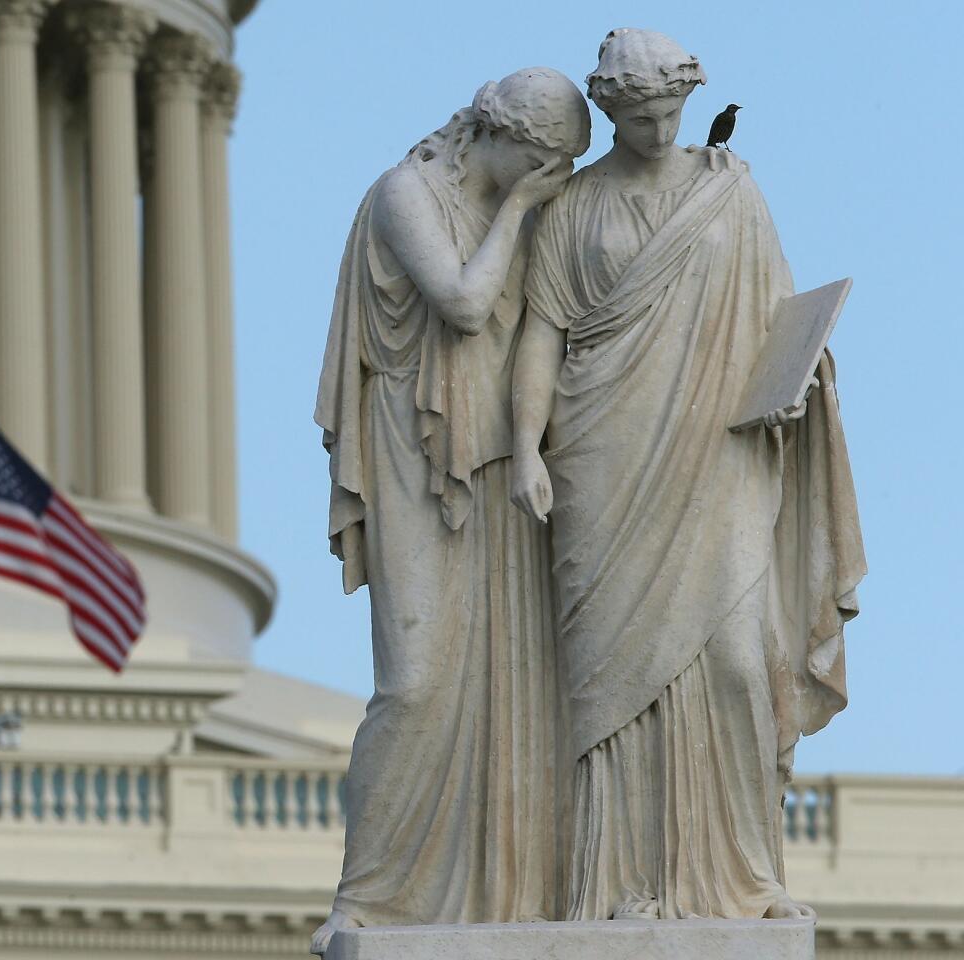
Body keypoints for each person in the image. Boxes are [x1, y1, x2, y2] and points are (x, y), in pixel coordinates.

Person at [511, 28, 866, 922]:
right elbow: (540, 337)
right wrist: (521, 447)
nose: (661, 128)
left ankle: (741, 880)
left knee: (738, 662)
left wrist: (800, 383)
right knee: (607, 681)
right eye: (641, 117)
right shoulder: (573, 209)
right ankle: (614, 888)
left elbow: (780, 318)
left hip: (719, 450)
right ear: (609, 114)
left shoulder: (729, 196)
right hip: (600, 450)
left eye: (670, 111)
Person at [312, 68, 591, 953]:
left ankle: (504, 890)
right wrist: (518, 212)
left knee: (516, 683)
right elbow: (466, 306)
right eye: (545, 163)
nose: (552, 182)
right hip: (415, 453)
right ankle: (368, 896)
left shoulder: (536, 211)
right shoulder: (407, 192)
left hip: (504, 460)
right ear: (499, 136)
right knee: (417, 680)